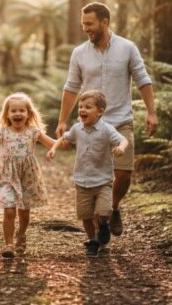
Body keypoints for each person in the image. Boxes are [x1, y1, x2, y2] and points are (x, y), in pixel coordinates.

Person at [56, 2, 158, 238]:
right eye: (83, 25)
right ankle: (100, 221)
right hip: (90, 126)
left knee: (124, 172)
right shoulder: (79, 53)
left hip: (121, 120)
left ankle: (113, 208)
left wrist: (152, 112)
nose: (86, 29)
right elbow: (71, 88)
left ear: (104, 22)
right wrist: (63, 120)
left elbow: (143, 79)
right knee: (93, 175)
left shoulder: (127, 48)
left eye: (89, 24)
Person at [0, 92, 58, 258]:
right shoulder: (2, 132)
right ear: (7, 115)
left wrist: (67, 139)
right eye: (13, 111)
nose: (18, 114)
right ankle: (9, 244)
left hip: (28, 176)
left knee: (24, 212)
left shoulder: (33, 132)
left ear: (28, 114)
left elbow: (52, 144)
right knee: (9, 211)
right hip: (7, 176)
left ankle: (21, 234)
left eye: (21, 111)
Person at [48, 90, 127, 257]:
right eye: (80, 107)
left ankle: (104, 225)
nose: (82, 110)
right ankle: (93, 240)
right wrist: (54, 149)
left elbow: (123, 139)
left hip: (103, 181)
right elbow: (63, 138)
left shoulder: (106, 129)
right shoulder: (77, 129)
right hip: (82, 182)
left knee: (104, 211)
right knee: (85, 215)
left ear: (100, 111)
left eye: (88, 107)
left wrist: (121, 147)